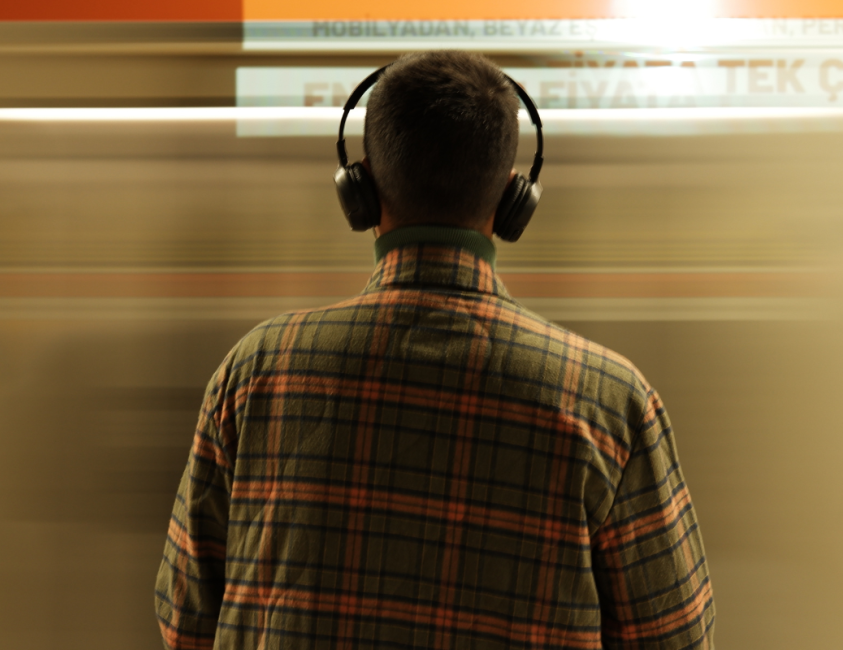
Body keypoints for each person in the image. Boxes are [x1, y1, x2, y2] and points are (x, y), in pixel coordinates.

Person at [155, 50, 714, 649]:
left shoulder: (256, 373)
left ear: (362, 188)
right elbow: (675, 636)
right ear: (511, 201)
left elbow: (184, 618)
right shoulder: (610, 403)